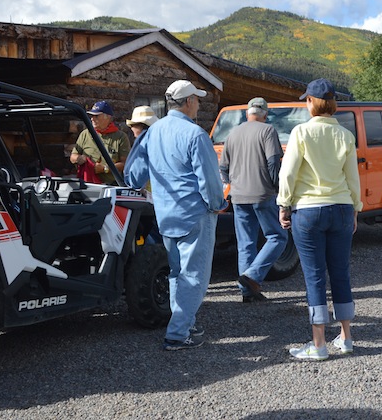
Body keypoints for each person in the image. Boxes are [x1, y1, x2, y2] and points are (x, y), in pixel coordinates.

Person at [124, 80, 227, 351]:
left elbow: (133, 177)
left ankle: (184, 322)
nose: (199, 105)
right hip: (195, 214)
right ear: (189, 102)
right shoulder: (195, 134)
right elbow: (209, 180)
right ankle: (178, 334)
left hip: (166, 213)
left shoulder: (151, 132)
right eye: (198, 99)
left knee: (176, 273)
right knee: (194, 276)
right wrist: (217, 204)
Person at [278, 78, 362, 361]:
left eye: (307, 100)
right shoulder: (346, 136)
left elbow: (287, 174)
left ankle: (319, 344)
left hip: (309, 210)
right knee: (341, 272)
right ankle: (347, 337)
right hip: (340, 207)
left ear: (312, 102)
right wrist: (355, 209)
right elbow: (353, 178)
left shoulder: (300, 132)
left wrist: (283, 205)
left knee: (314, 276)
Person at [219, 97, 287, 303]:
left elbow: (223, 168)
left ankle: (247, 292)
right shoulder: (268, 131)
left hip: (238, 196)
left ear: (247, 113)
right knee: (278, 237)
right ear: (265, 114)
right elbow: (273, 163)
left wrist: (233, 184)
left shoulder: (233, 133)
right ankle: (253, 276)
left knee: (245, 243)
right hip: (263, 194)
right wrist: (279, 190)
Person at [70, 100, 131, 184]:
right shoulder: (85, 134)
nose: (92, 119)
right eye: (92, 116)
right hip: (87, 184)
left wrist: (105, 168)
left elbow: (125, 164)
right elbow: (73, 157)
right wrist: (79, 159)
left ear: (108, 117)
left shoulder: (120, 137)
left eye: (97, 116)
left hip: (111, 185)